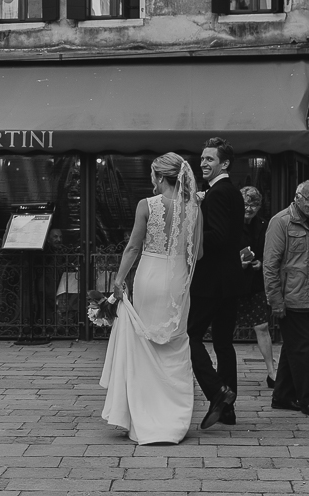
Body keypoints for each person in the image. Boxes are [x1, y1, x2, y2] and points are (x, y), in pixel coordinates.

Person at [99, 153, 203, 445]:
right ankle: (174, 419)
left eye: (152, 176)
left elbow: (133, 247)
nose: (151, 181)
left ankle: (144, 415)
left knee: (145, 343)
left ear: (160, 177)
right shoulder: (194, 207)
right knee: (175, 341)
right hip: (178, 280)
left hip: (150, 275)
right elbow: (198, 253)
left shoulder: (146, 206)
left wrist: (119, 280)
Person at [189, 137, 244, 429]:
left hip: (212, 280)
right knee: (223, 343)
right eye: (202, 159)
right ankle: (228, 411)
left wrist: (191, 238)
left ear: (224, 164)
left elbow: (220, 236)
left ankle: (217, 392)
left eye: (209, 159)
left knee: (190, 336)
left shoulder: (219, 193)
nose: (203, 163)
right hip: (229, 279)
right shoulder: (229, 192)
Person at [263, 180, 309, 417]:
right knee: (301, 349)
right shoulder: (281, 222)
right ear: (298, 197)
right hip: (290, 298)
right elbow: (270, 265)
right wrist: (275, 300)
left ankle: (282, 396)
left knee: (294, 347)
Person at [237, 186, 276, 388]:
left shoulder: (264, 225)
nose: (249, 208)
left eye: (253, 204)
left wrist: (261, 262)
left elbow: (270, 253)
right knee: (225, 329)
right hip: (233, 284)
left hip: (255, 283)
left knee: (262, 327)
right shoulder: (230, 224)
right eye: (245, 203)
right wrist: (237, 263)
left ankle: (271, 372)